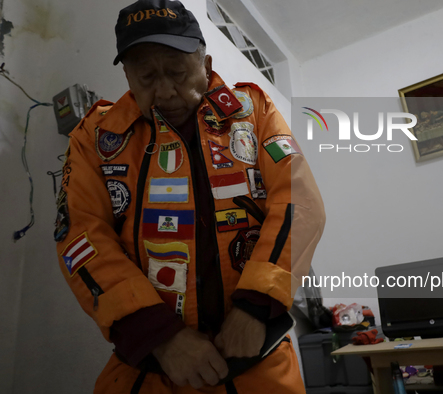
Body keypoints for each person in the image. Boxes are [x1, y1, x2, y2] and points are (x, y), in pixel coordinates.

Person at [53, 0, 325, 393]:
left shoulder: (253, 112)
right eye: (145, 77)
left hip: (257, 358)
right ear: (127, 76)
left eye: (178, 73)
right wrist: (159, 335)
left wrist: (255, 306)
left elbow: (300, 203)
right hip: (151, 365)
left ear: (206, 63)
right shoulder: (94, 138)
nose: (164, 91)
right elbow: (80, 234)